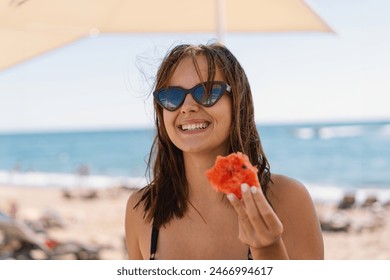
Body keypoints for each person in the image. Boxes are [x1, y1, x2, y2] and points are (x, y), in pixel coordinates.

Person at [125, 43, 324, 260]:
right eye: (172, 96)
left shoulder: (287, 199)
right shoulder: (141, 210)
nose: (187, 106)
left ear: (237, 103)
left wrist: (269, 249)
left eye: (207, 92)